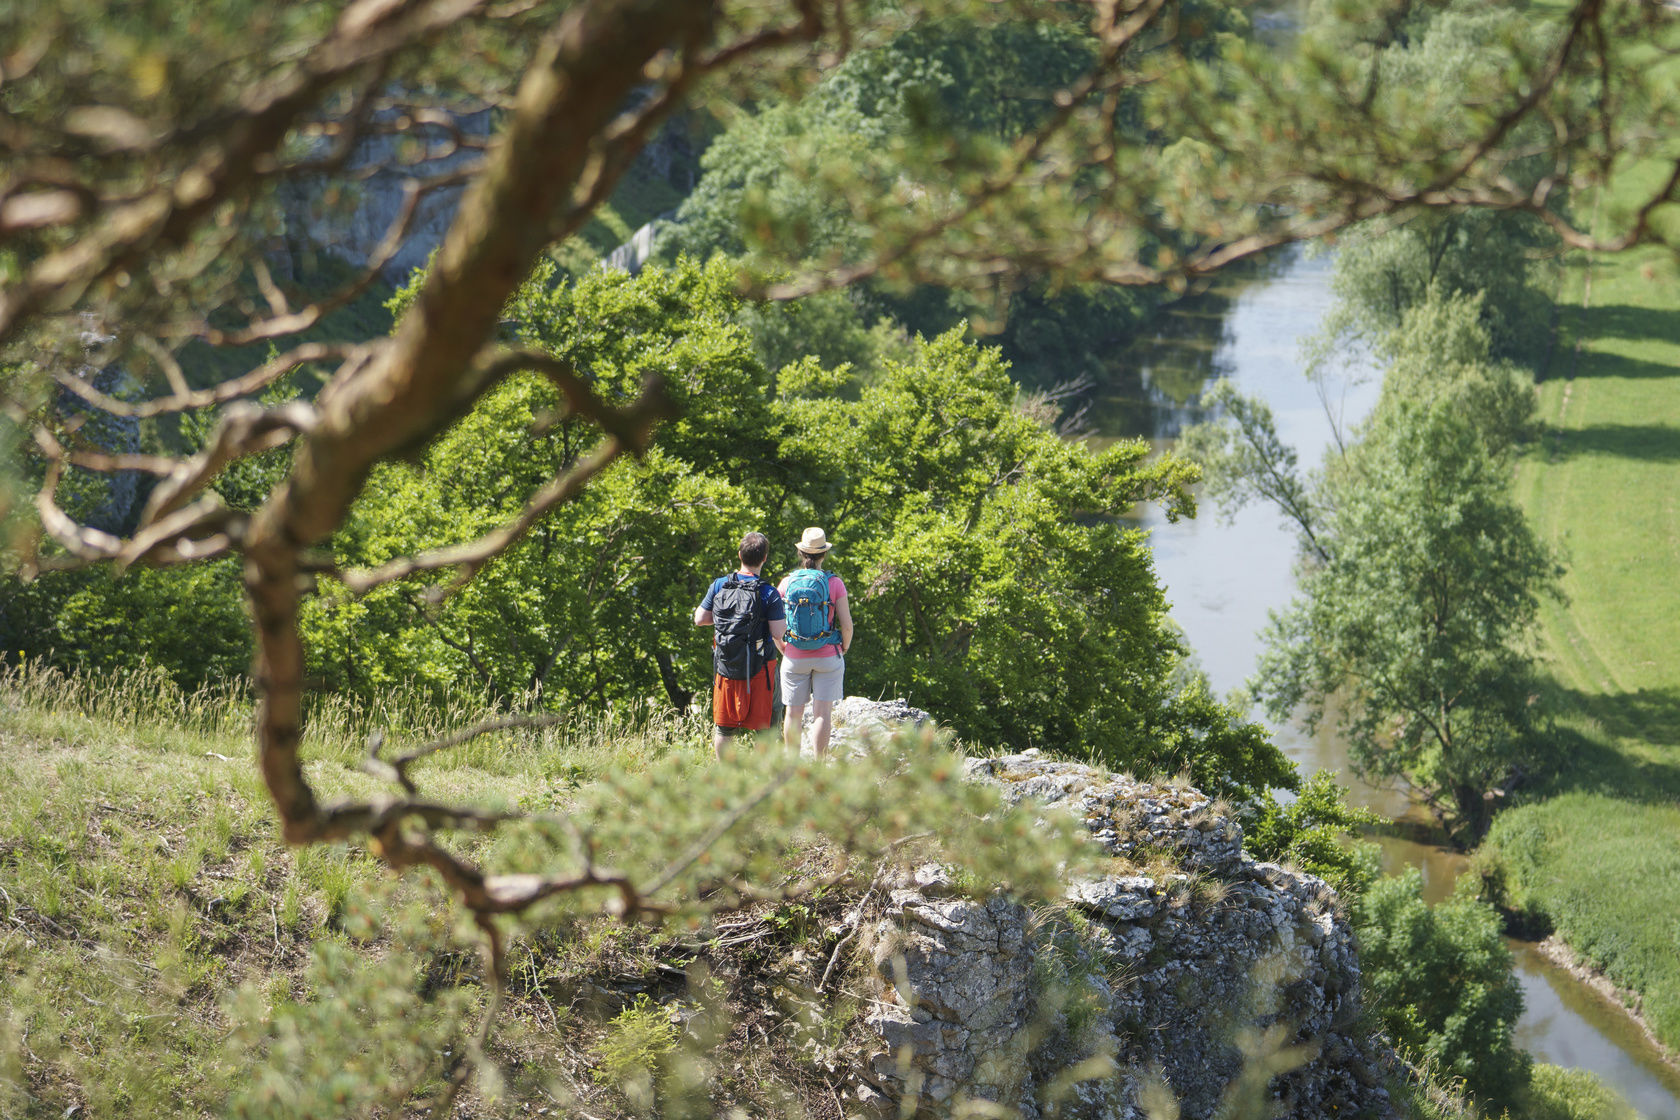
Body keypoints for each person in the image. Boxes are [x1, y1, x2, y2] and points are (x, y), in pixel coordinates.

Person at [694, 531, 786, 758]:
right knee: (767, 727)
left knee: (724, 729)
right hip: (761, 667)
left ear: (739, 555)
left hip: (726, 667)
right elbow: (778, 632)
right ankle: (764, 777)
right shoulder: (768, 593)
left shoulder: (719, 585)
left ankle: (724, 778)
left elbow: (700, 619)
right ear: (764, 558)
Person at [778, 527, 853, 758]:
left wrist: (783, 648)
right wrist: (844, 648)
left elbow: (776, 625)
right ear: (824, 554)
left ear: (801, 553)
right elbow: (847, 625)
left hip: (793, 655)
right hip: (828, 655)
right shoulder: (835, 583)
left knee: (792, 714)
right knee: (822, 714)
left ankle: (791, 768)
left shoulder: (787, 582)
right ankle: (818, 767)